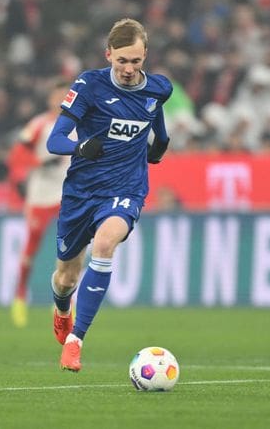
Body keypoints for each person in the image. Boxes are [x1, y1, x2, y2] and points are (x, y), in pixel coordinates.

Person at [46, 18, 172, 372]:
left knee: (104, 245)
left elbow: (157, 124)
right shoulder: (89, 85)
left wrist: (159, 148)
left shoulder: (159, 88)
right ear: (109, 55)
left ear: (145, 55)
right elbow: (54, 140)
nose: (129, 69)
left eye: (136, 61)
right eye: (122, 61)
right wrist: (81, 146)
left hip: (126, 189)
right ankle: (61, 309)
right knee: (66, 276)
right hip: (81, 192)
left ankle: (76, 341)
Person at [8, 81, 73, 328]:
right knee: (32, 244)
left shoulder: (81, 123)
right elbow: (17, 153)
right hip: (41, 193)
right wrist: (39, 163)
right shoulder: (39, 124)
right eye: (57, 95)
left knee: (70, 247)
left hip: (67, 193)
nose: (60, 100)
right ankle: (20, 296)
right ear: (49, 99)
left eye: (64, 95)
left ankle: (62, 300)